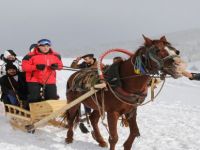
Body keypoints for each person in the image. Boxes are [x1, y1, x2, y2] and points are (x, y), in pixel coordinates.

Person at [22, 39, 63, 108]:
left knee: (52, 97)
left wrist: (56, 66)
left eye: (47, 46)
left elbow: (60, 66)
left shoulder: (56, 55)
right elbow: (25, 67)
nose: (45, 48)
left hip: (49, 79)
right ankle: (29, 111)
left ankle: (49, 113)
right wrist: (36, 67)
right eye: (43, 46)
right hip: (34, 79)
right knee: (34, 97)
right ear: (38, 46)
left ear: (50, 46)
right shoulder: (29, 56)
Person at [70, 53, 97, 133]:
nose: (85, 61)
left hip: (95, 83)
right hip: (85, 84)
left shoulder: (98, 64)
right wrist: (76, 61)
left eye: (86, 59)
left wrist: (87, 71)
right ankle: (87, 112)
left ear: (91, 58)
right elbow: (73, 67)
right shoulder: (84, 64)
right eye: (84, 59)